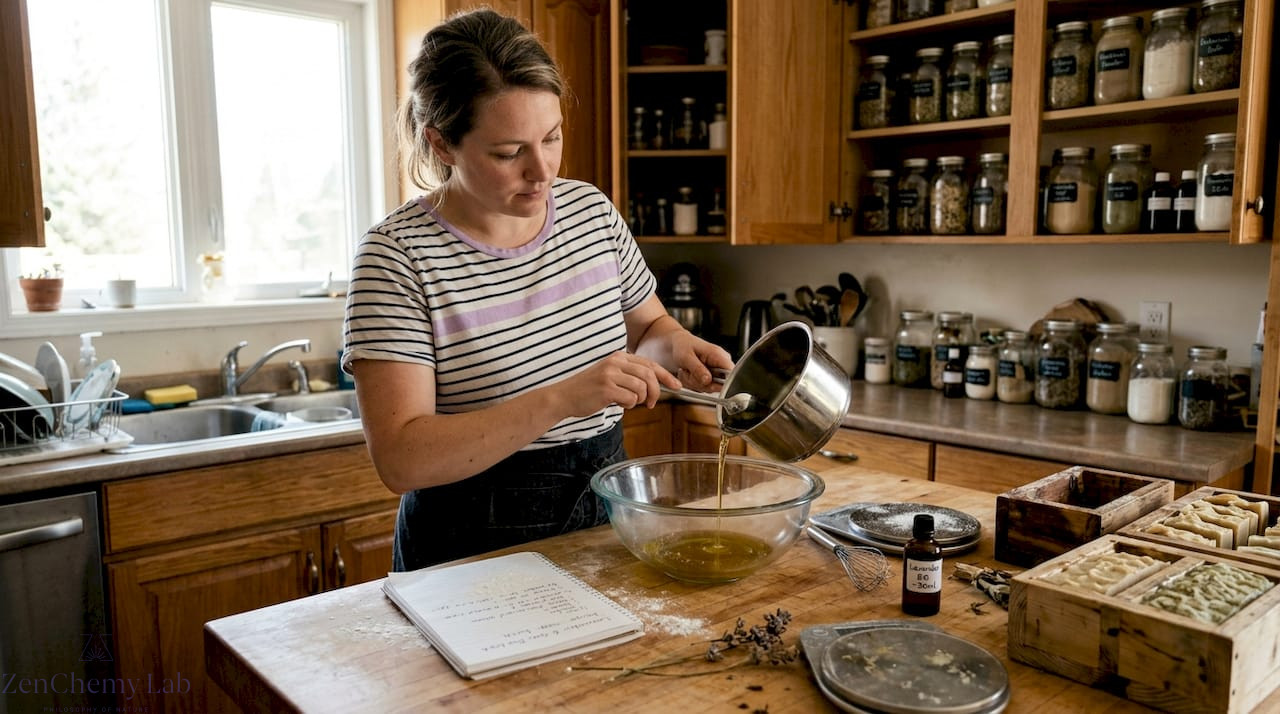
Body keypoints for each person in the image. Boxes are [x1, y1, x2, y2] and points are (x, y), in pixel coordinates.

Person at [341, 8, 733, 572]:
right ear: (442, 144)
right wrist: (563, 398)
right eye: (508, 153)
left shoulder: (589, 211)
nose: (542, 170)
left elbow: (646, 327)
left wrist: (672, 346)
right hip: (467, 542)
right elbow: (402, 459)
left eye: (551, 137)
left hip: (602, 505)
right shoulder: (397, 257)